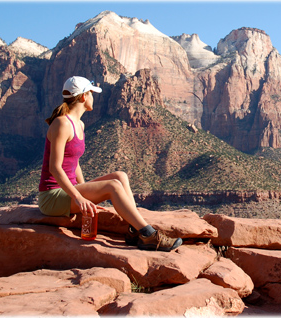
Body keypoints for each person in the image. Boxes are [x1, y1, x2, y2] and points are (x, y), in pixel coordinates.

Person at [38, 76, 182, 252]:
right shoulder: (62, 123)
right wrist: (79, 197)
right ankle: (149, 235)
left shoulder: (79, 124)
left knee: (120, 176)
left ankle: (134, 230)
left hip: (68, 191)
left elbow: (74, 162)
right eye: (91, 93)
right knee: (113, 185)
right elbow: (55, 168)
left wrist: (85, 190)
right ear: (83, 97)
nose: (93, 98)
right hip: (51, 197)